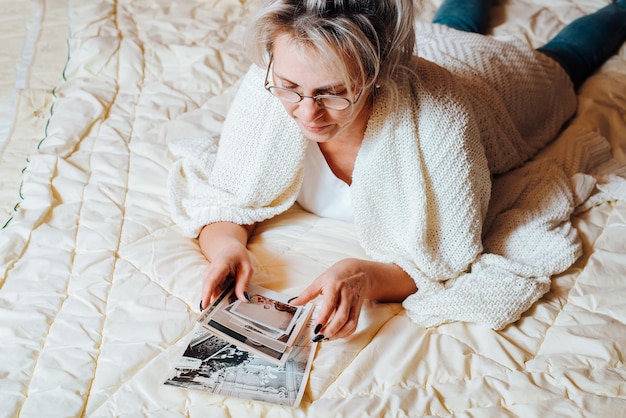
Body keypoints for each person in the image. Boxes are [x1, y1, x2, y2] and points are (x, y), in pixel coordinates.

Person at [169, 0, 626, 341]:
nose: (308, 114)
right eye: (291, 88)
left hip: (494, 81)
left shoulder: (441, 120)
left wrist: (363, 274)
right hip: (420, 44)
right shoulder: (268, 83)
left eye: (334, 93)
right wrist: (227, 245)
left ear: (377, 75)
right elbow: (226, 193)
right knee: (451, 22)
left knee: (570, 54)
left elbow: (447, 257)